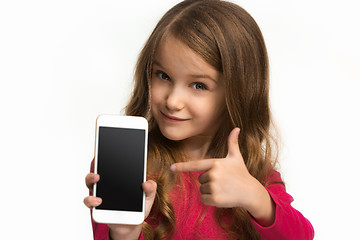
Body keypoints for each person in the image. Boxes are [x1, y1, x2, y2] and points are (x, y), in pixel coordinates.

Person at [84, 0, 314, 239]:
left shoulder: (252, 172)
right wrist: (125, 232)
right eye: (163, 75)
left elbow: (302, 236)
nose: (173, 101)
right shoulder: (128, 165)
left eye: (198, 85)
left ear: (236, 93)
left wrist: (256, 197)